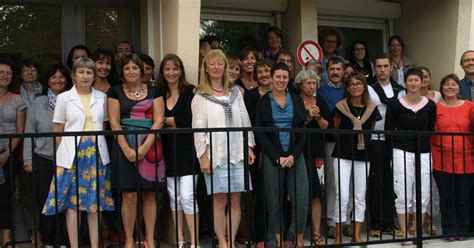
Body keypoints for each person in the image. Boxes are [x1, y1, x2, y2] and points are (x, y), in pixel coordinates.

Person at [42, 58, 114, 248]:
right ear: (74, 75)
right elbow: (58, 129)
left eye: (89, 73)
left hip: (96, 154)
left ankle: (95, 244)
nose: (85, 76)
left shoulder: (102, 97)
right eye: (81, 72)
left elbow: (104, 125)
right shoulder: (64, 98)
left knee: (94, 203)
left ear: (93, 76)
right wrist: (61, 154)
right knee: (72, 203)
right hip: (71, 154)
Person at [192, 49, 256, 248]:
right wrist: (203, 156)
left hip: (237, 153)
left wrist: (249, 147)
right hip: (216, 155)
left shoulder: (237, 92)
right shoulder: (200, 96)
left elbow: (245, 119)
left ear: (225, 67)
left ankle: (231, 238)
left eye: (220, 63)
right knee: (220, 201)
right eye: (212, 64)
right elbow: (198, 129)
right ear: (206, 68)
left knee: (236, 200)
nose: (216, 67)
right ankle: (222, 241)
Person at [108, 53, 165, 248]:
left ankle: (149, 239)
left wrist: (145, 146)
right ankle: (130, 240)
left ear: (142, 71)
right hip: (124, 144)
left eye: (135, 68)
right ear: (122, 72)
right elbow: (114, 123)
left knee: (150, 194)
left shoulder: (155, 90)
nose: (131, 71)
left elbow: (159, 120)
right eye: (127, 68)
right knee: (129, 195)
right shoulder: (114, 91)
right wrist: (127, 149)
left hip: (151, 145)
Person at [255, 63, 308, 247]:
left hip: (295, 155)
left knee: (301, 199)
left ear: (289, 79)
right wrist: (276, 157)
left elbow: (302, 130)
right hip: (273, 157)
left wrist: (293, 155)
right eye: (278, 77)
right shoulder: (263, 102)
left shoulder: (296, 99)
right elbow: (260, 133)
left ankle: (297, 238)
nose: (281, 80)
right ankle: (277, 241)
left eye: (285, 77)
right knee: (274, 201)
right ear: (271, 78)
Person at [385, 68, 436, 246]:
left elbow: (430, 129)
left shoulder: (430, 105)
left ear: (422, 82)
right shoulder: (395, 104)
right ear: (405, 83)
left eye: (417, 80)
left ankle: (417, 233)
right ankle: (405, 233)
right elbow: (389, 130)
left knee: (422, 193)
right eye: (410, 80)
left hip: (423, 152)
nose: (414, 83)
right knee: (403, 192)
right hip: (401, 151)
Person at [23, 64, 71, 247]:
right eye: (53, 77)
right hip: (43, 158)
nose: (58, 80)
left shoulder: (71, 101)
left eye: (61, 77)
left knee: (65, 199)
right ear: (47, 81)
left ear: (67, 79)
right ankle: (48, 239)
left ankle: (62, 239)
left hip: (68, 158)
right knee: (45, 201)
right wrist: (28, 160)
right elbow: (29, 132)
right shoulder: (38, 103)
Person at [157, 54, 200, 248]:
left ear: (180, 70)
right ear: (162, 72)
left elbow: (191, 120)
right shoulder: (158, 93)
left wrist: (167, 121)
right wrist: (174, 121)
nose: (171, 73)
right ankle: (180, 240)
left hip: (188, 151)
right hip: (166, 151)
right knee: (174, 198)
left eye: (175, 69)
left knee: (188, 196)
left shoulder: (191, 92)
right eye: (167, 69)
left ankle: (195, 241)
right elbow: (154, 120)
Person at [332, 73, 379, 244]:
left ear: (364, 87)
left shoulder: (372, 108)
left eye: (359, 83)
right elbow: (336, 129)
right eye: (351, 84)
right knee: (342, 195)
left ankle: (357, 234)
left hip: (363, 154)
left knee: (360, 195)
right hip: (342, 153)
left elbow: (371, 129)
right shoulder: (340, 107)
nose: (355, 87)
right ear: (347, 88)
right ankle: (338, 236)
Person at [432, 74, 474, 241]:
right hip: (442, 159)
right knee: (447, 197)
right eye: (446, 84)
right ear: (441, 88)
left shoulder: (470, 107)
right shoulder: (435, 107)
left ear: (459, 88)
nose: (450, 87)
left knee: (463, 197)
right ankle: (449, 231)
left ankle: (462, 230)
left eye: (453, 84)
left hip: (467, 159)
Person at [367, 54, 404, 238]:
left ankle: (389, 223)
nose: (382, 69)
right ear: (374, 68)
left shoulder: (400, 90)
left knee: (392, 183)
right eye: (379, 66)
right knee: (376, 183)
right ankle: (375, 223)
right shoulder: (368, 88)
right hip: (375, 140)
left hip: (395, 141)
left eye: (385, 66)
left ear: (391, 68)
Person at [294, 69, 329, 246]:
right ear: (300, 84)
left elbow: (326, 126)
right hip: (299, 151)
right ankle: (297, 234)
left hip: (316, 151)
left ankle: (316, 233)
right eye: (308, 83)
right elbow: (295, 126)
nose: (312, 86)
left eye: (314, 83)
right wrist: (308, 116)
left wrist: (318, 115)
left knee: (316, 193)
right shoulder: (295, 100)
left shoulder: (321, 100)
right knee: (298, 193)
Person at [316, 57, 348, 238]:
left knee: (349, 182)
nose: (336, 72)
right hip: (331, 142)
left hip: (350, 142)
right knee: (333, 183)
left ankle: (347, 221)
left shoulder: (350, 89)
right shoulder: (321, 92)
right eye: (332, 69)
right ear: (327, 71)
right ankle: (331, 222)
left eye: (339, 69)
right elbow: (329, 115)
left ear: (343, 71)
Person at [243, 59, 273, 247]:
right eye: (259, 72)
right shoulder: (251, 96)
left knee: (278, 194)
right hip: (256, 149)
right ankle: (259, 236)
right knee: (259, 194)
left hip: (276, 149)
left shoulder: (281, 94)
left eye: (266, 71)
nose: (263, 74)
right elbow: (249, 123)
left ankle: (280, 235)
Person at [0, 60, 26, 248]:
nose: (5, 75)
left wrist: (7, 153)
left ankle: (7, 238)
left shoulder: (18, 100)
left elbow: (20, 129)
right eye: (1, 72)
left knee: (6, 197)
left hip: (7, 155)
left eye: (8, 72)